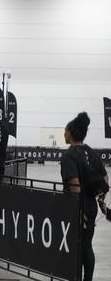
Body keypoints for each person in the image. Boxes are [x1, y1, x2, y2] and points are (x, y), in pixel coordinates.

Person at [61, 112, 109, 281]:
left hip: (78, 208)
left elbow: (75, 186)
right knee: (87, 246)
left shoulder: (69, 155)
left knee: (76, 248)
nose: (63, 133)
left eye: (65, 130)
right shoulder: (92, 152)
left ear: (71, 133)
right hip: (91, 206)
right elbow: (105, 179)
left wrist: (78, 211)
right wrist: (101, 201)